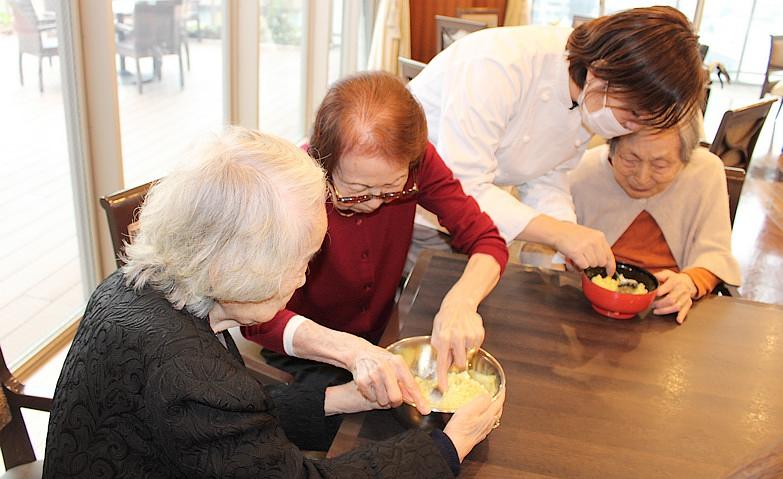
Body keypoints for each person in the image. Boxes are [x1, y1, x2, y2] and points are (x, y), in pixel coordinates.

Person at [43, 128, 505, 478]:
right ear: (234, 269)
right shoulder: (189, 371)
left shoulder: (133, 291)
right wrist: (451, 445)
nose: (304, 277)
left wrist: (343, 399)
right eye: (299, 262)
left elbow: (231, 419)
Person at [242, 72, 509, 396]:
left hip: (381, 334)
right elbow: (254, 319)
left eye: (392, 189)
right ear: (321, 161)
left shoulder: (418, 162)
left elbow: (486, 239)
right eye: (356, 191)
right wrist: (347, 350)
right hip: (307, 348)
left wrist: (462, 302)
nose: (373, 203)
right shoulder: (290, 189)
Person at [408, 6, 706, 275]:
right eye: (631, 112)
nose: (629, 127)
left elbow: (549, 173)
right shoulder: (500, 65)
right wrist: (556, 233)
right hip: (413, 208)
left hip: (476, 221)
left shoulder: (591, 92)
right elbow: (462, 188)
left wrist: (568, 234)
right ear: (602, 69)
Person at [569, 113, 741, 324]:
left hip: (669, 311)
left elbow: (715, 253)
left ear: (686, 158)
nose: (642, 178)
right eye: (630, 160)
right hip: (588, 308)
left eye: (660, 165)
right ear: (611, 147)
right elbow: (551, 251)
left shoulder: (705, 172)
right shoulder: (583, 170)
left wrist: (688, 282)